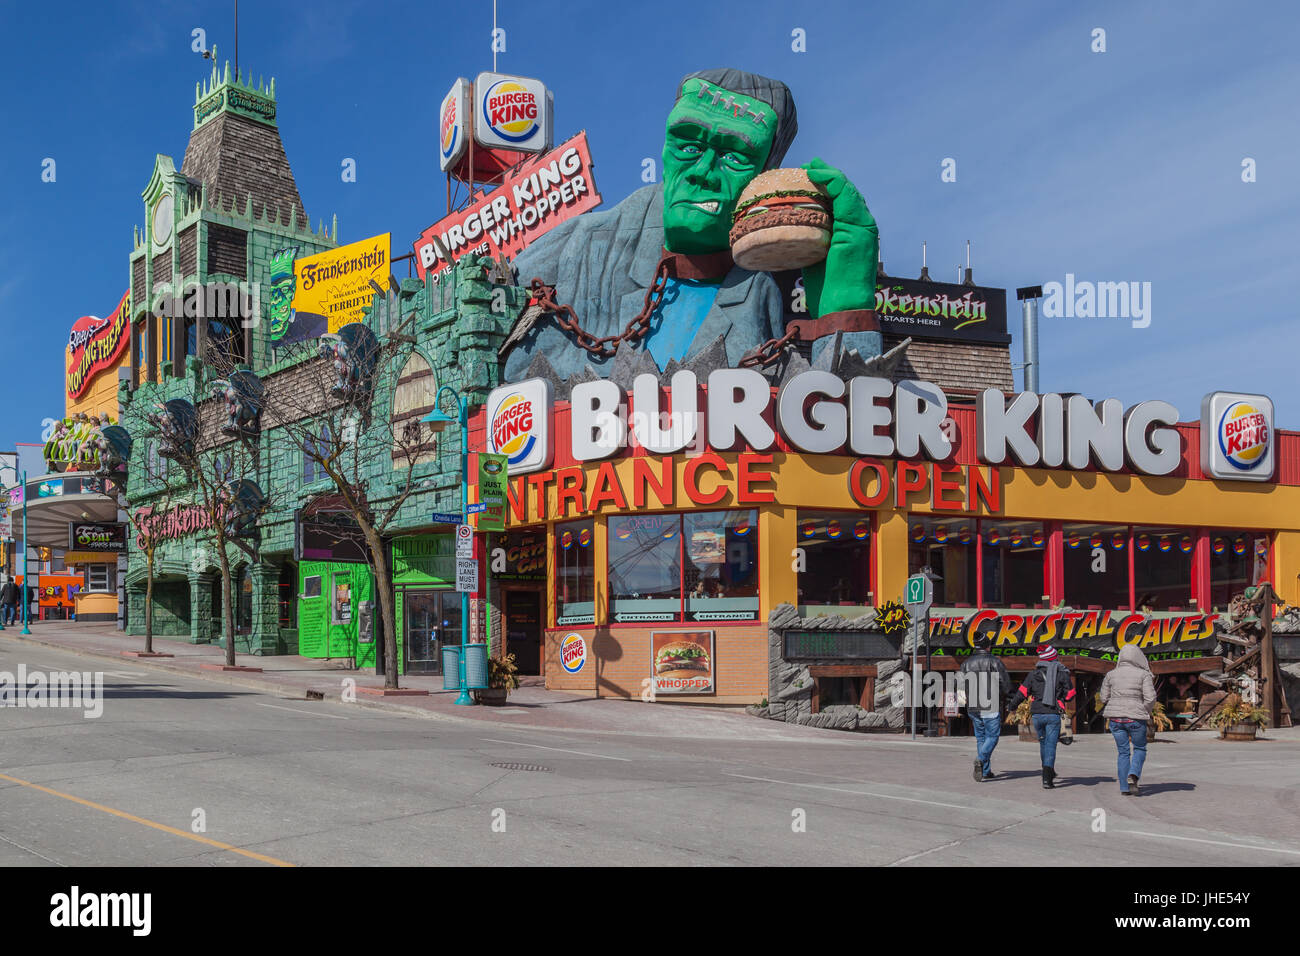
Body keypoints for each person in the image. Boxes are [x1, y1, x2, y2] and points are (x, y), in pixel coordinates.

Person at [502, 68, 881, 382]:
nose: (703, 173)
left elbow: (837, 444)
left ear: (765, 177)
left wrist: (845, 310)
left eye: (735, 157)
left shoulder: (771, 286)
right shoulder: (576, 250)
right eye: (688, 146)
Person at [1007, 644, 1076, 789]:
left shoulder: (1033, 674)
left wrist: (1011, 706)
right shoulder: (1062, 673)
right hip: (1053, 714)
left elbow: (1022, 693)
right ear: (1054, 658)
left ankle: (1048, 771)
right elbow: (1070, 694)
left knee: (1044, 744)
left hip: (1037, 714)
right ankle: (1047, 777)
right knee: (1051, 745)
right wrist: (1060, 698)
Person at [1100, 643, 1157, 795]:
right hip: (1135, 719)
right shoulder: (1143, 675)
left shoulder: (1110, 674)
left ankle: (1124, 787)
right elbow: (1151, 697)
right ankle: (1133, 774)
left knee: (1123, 752)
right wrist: (1145, 710)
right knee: (1139, 748)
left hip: (1116, 720)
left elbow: (1103, 697)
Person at [959, 622, 1010, 782]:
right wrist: (1010, 698)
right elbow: (1005, 683)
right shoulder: (994, 661)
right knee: (993, 736)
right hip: (990, 704)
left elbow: (959, 684)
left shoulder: (966, 663)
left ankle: (985, 771)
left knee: (981, 737)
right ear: (988, 646)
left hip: (973, 705)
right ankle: (981, 760)